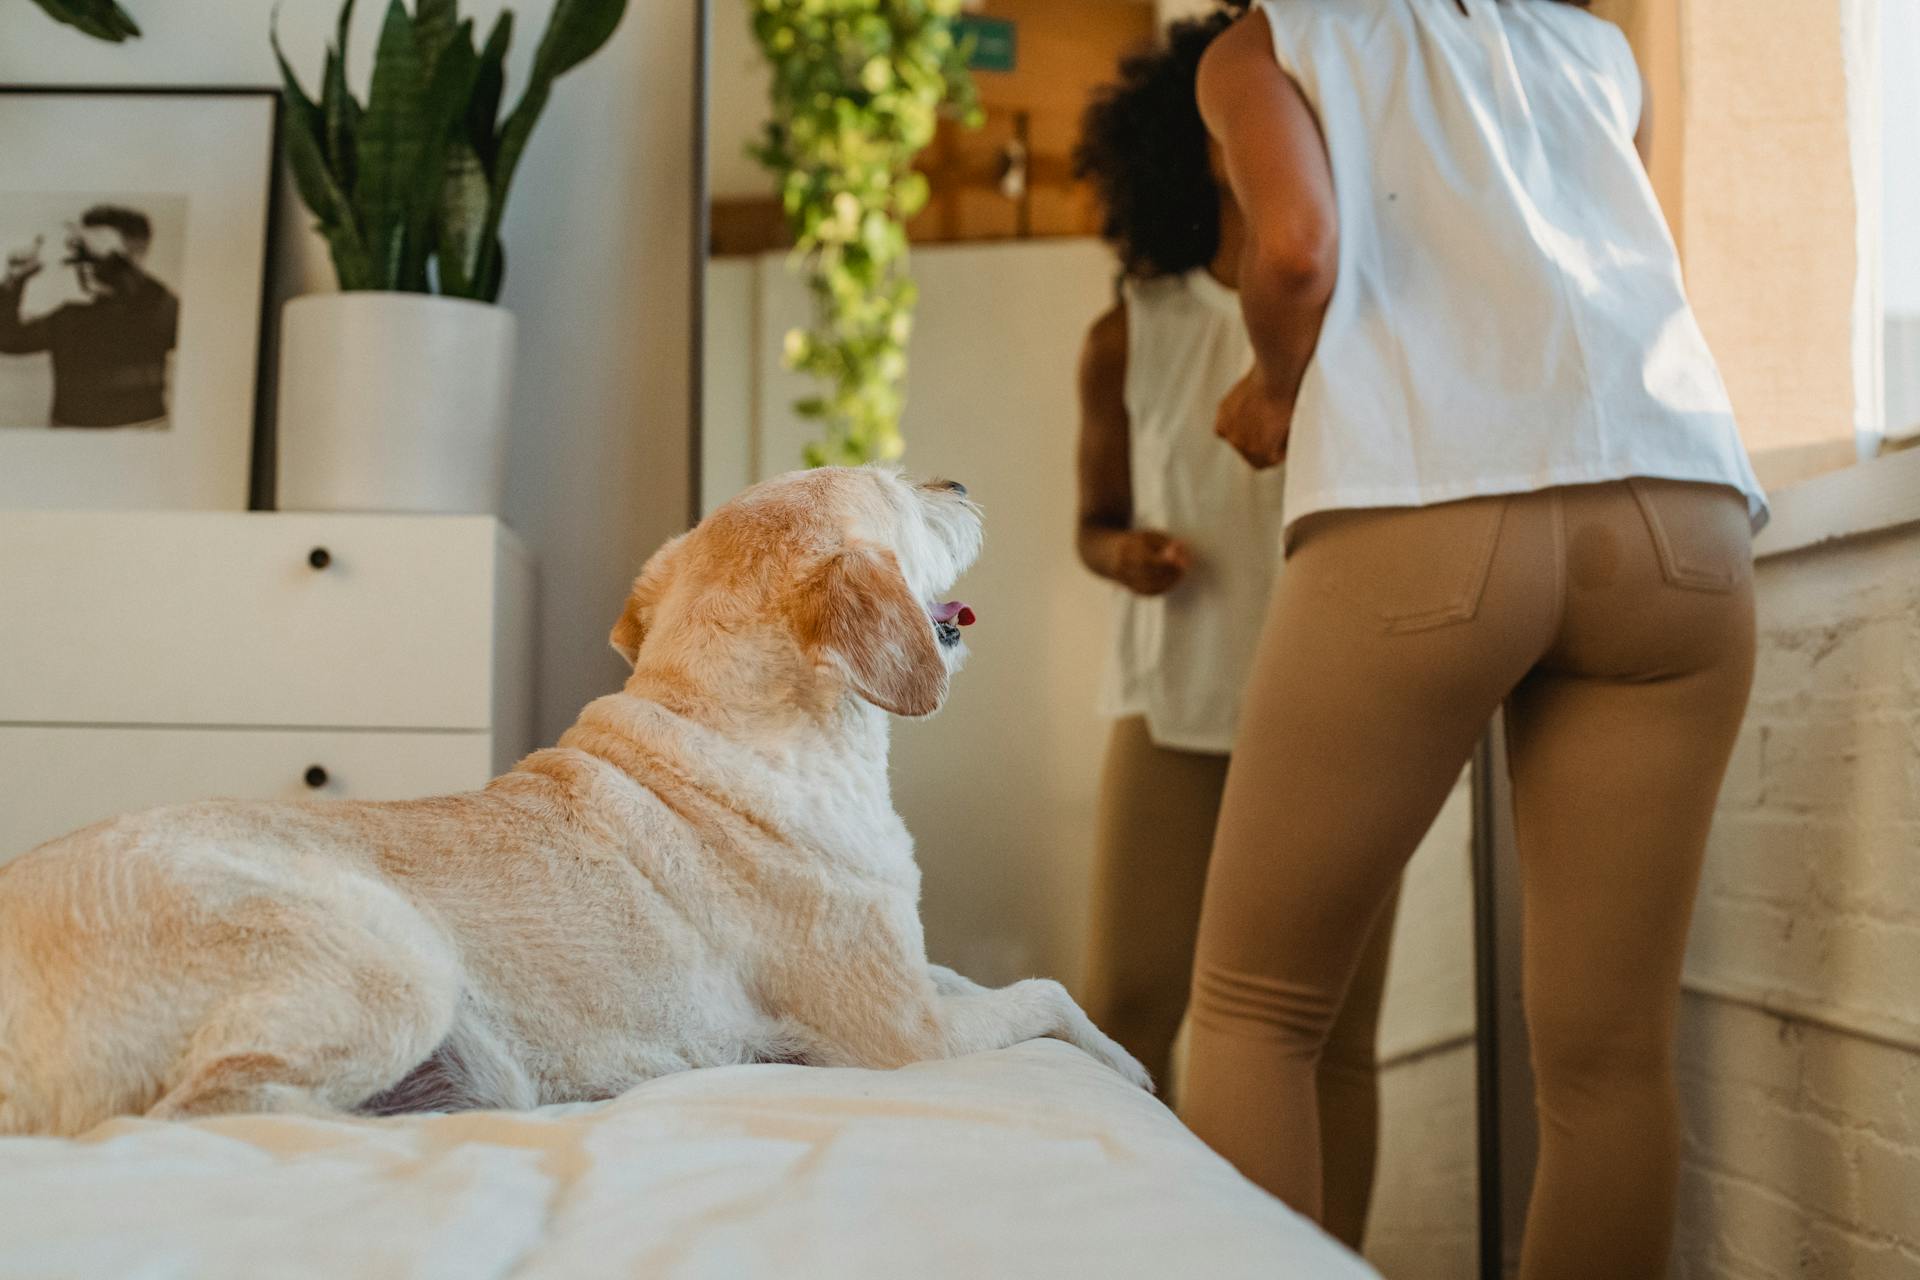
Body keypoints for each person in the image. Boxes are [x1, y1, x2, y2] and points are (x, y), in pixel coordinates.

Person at [1179, 1, 1768, 1276]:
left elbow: (1293, 250)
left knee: (1254, 1013)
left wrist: (1279, 385)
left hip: (1433, 492)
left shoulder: (1265, 44)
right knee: (1611, 1066)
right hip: (1680, 507)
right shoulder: (1598, 48)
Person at [1069, 10, 1399, 1251]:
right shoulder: (1130, 333)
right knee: (1121, 1011)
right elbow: (1092, 519)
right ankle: (1136, 1255)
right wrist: (1126, 554)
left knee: (1337, 1042)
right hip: (1179, 705)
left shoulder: (1371, 304)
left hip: (1350, 707)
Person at [0, 204, 179, 428]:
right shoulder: (69, 318)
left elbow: (160, 312)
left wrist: (117, 263)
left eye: (95, 258)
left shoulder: (157, 310)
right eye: (80, 257)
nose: (85, 267)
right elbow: (7, 339)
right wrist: (13, 280)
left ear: (133, 259)